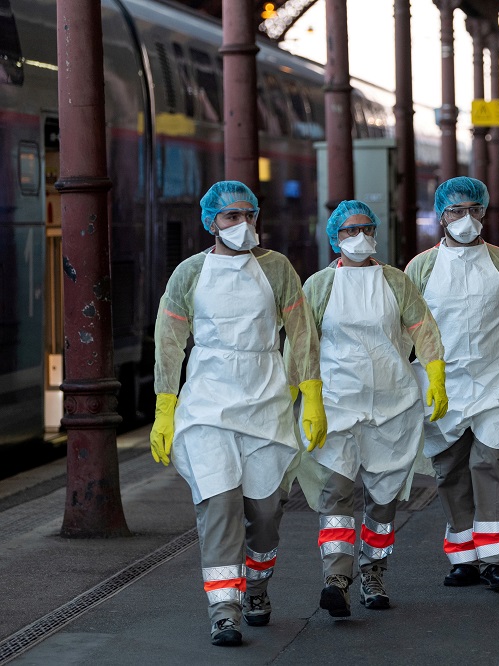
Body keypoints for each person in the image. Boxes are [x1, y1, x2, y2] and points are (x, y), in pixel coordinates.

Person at [149, 181, 326, 647]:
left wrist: (312, 394)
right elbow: (169, 342)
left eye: (249, 215)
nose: (242, 225)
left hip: (265, 401)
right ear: (211, 223)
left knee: (265, 513)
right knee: (220, 504)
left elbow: (302, 332)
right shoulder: (189, 273)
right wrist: (165, 407)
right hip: (208, 402)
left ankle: (259, 586)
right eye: (231, 217)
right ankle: (224, 609)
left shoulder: (278, 269)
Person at [293, 200, 449, 617]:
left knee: (383, 500)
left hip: (391, 404)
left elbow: (424, 329)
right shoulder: (319, 286)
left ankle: (374, 573)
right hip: (337, 404)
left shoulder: (396, 282)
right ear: (334, 238)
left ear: (376, 233)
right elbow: (302, 345)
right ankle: (336, 578)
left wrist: (435, 373)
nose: (358, 237)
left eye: (365, 228)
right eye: (348, 231)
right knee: (337, 491)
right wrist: (306, 397)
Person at [405, 176, 499, 592]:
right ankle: (463, 557)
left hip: (497, 381)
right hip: (442, 385)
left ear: (485, 211)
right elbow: (405, 329)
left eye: (474, 210)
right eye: (456, 211)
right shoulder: (421, 267)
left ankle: (495, 559)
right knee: (449, 472)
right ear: (440, 215)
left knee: (492, 466)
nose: (466, 219)